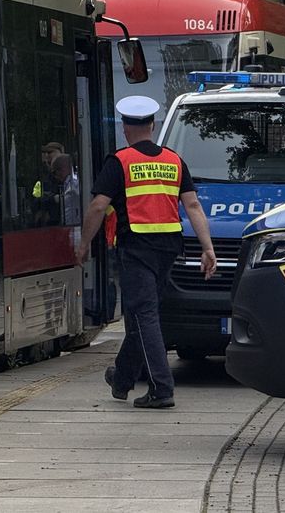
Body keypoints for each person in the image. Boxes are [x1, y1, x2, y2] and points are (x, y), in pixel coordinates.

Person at [78, 95, 217, 409]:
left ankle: (161, 388)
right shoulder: (173, 160)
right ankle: (122, 378)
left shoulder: (120, 161)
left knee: (144, 316)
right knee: (144, 315)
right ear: (152, 125)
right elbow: (193, 205)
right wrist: (208, 249)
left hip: (137, 247)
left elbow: (98, 205)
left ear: (126, 128)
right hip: (169, 248)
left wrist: (85, 243)